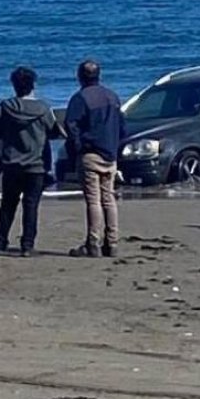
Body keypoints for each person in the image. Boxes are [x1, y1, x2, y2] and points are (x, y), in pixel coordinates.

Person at [0, 67, 62, 257]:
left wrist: (0, 157)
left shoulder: (5, 107)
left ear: (14, 85)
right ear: (33, 85)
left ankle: (0, 243)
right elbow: (54, 132)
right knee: (31, 206)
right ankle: (27, 245)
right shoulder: (43, 108)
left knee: (8, 205)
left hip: (12, 163)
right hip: (36, 165)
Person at [65, 59, 126, 258]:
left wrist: (78, 148)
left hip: (91, 153)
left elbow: (71, 127)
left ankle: (94, 243)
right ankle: (113, 242)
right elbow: (122, 127)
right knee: (108, 198)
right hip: (110, 153)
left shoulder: (80, 98)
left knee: (93, 200)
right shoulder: (112, 97)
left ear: (80, 76)